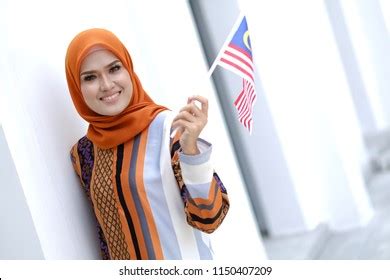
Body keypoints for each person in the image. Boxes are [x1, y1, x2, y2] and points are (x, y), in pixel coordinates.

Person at [65, 28, 229, 260]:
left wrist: (191, 151)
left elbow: (210, 217)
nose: (106, 84)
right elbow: (106, 241)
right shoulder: (83, 154)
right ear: (76, 87)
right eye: (90, 77)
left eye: (114, 69)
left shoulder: (171, 129)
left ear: (129, 70)